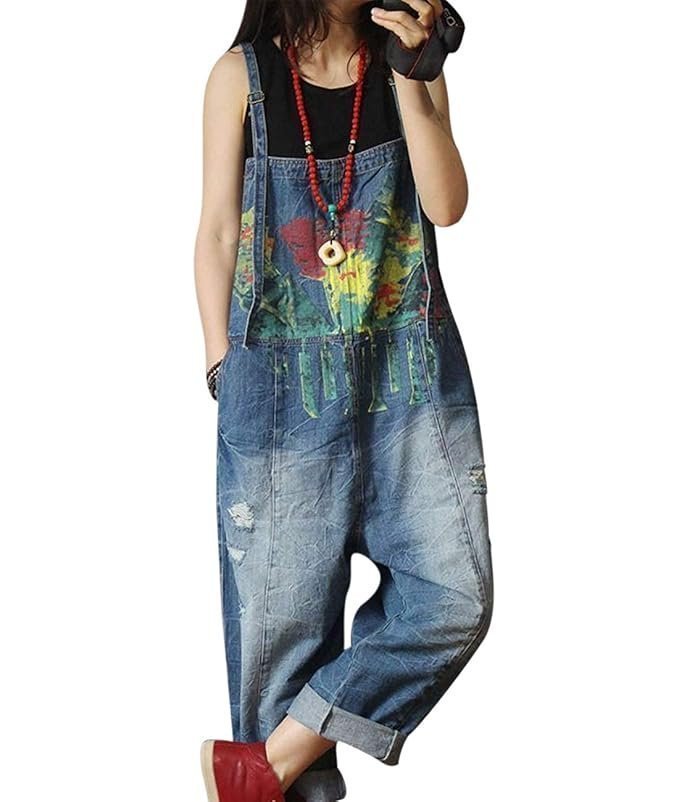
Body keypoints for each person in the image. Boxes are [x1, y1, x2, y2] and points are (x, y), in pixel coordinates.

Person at [193, 2, 494, 800]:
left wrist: (415, 74)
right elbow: (218, 231)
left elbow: (445, 205)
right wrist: (222, 367)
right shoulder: (240, 78)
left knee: (452, 598)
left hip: (409, 383)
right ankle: (277, 770)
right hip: (277, 397)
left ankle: (266, 763)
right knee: (279, 647)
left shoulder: (407, 65)